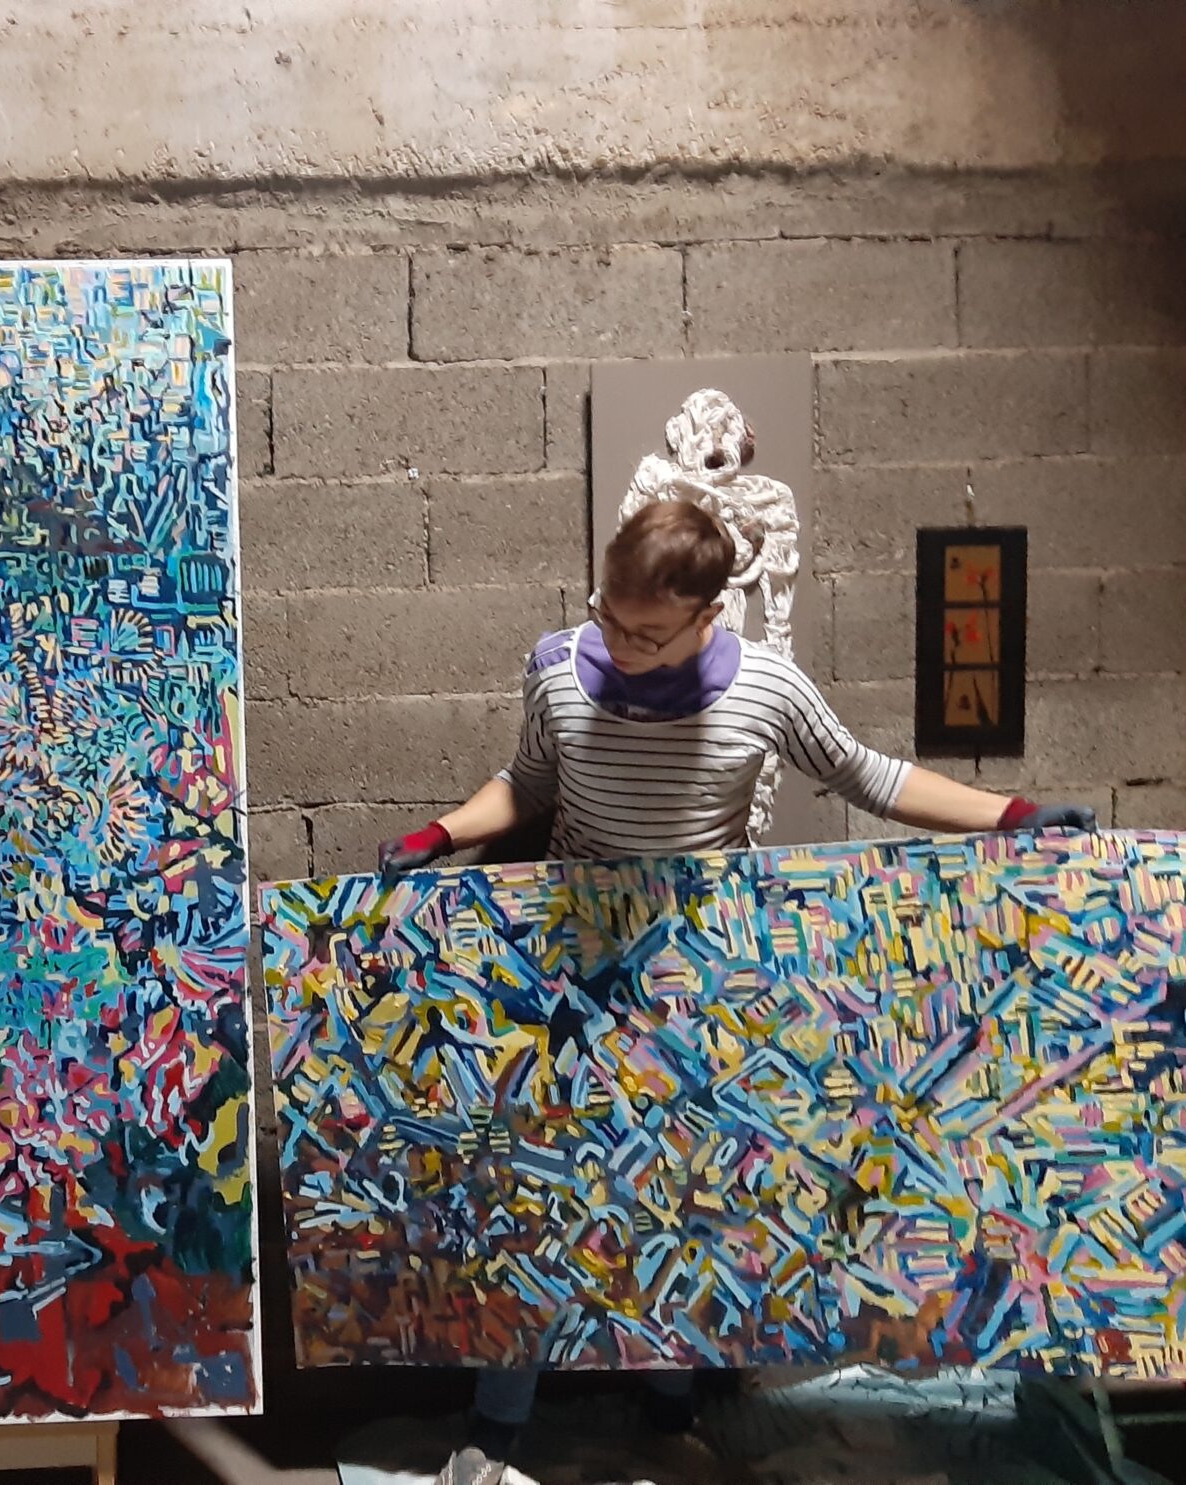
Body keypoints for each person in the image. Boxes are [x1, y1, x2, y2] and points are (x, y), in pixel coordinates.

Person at [378, 498, 1095, 1485]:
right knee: (542, 1195)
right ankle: (498, 1421)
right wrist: (441, 833)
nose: (620, 645)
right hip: (571, 975)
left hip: (698, 983)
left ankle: (669, 1404)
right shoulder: (558, 668)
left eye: (647, 633)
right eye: (609, 618)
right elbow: (530, 779)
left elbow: (871, 776)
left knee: (683, 1198)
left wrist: (1011, 815)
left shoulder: (766, 688)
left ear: (708, 615)